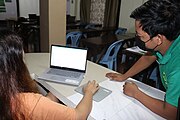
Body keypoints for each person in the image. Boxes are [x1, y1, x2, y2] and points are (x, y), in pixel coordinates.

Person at [0, 29, 100, 120]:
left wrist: (56, 89)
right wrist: (89, 92)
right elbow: (79, 116)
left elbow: (41, 107)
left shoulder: (9, 98)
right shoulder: (27, 102)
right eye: (23, 58)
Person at [106, 0, 180, 119]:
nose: (137, 38)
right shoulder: (167, 43)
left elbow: (171, 113)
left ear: (159, 39)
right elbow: (149, 57)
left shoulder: (178, 70)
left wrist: (136, 93)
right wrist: (124, 76)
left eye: (140, 36)